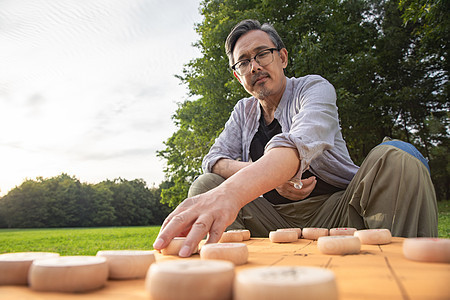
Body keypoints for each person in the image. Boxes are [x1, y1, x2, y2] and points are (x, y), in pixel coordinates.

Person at [153, 19, 438, 257]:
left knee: (397, 156)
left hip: (338, 211)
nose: (254, 67)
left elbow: (297, 143)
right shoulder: (242, 111)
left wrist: (236, 190)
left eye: (262, 54)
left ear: (283, 57)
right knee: (206, 185)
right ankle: (235, 278)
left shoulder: (313, 88)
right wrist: (268, 178)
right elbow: (213, 160)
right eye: (243, 62)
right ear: (238, 77)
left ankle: (398, 271)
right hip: (270, 219)